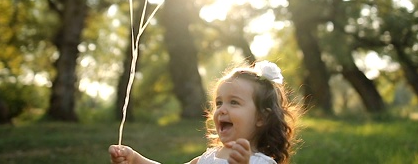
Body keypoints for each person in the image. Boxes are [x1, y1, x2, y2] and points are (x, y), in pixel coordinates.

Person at [109, 60, 302, 164]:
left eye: (234, 102)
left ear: (261, 117)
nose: (222, 110)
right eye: (219, 103)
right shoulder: (209, 157)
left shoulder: (261, 163)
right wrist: (135, 159)